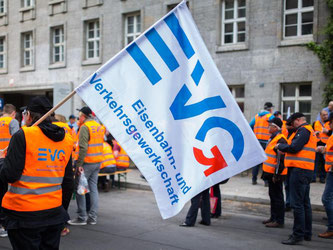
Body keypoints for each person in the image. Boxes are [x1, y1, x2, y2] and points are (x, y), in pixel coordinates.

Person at [0, 96, 74, 249]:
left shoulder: (23, 135)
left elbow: (9, 175)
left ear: (29, 115)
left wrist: (2, 161)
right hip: (53, 213)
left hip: (24, 214)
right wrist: (61, 212)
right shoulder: (66, 140)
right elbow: (68, 182)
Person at [276, 112, 316, 245]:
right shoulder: (308, 130)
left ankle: (297, 234)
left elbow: (294, 147)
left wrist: (280, 146)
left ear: (298, 120)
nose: (291, 125)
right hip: (304, 170)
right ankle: (306, 233)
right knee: (305, 203)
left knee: (297, 204)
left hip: (299, 170)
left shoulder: (303, 130)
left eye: (292, 123)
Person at [68, 106, 104, 226]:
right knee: (93, 189)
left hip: (87, 162)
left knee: (80, 189)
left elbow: (83, 147)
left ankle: (81, 217)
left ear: (84, 116)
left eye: (80, 115)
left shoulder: (85, 127)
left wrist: (79, 164)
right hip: (97, 162)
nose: (78, 117)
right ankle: (92, 217)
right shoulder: (98, 126)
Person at [262, 118, 288, 228]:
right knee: (273, 195)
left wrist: (276, 175)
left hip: (276, 175)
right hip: (270, 173)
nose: (268, 127)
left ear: (275, 127)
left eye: (269, 126)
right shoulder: (273, 138)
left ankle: (279, 220)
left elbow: (280, 160)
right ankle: (273, 217)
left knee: (278, 197)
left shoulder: (280, 140)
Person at [249, 102, 275, 185]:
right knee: (265, 161)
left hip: (257, 141)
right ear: (270, 109)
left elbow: (250, 125)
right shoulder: (270, 116)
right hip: (266, 142)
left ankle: (254, 179)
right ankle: (266, 181)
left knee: (257, 161)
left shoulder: (256, 116)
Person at [316, 113, 333, 239]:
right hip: (330, 170)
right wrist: (322, 148)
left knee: (326, 199)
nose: (329, 124)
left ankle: (331, 228)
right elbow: (329, 148)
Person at [313, 109, 330, 183]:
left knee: (324, 161)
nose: (326, 116)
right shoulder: (315, 123)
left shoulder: (330, 123)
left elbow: (331, 134)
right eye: (324, 115)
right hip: (317, 144)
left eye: (326, 115)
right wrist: (315, 133)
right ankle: (313, 177)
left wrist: (328, 131)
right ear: (320, 116)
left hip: (326, 144)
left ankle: (322, 177)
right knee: (315, 161)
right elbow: (312, 133)